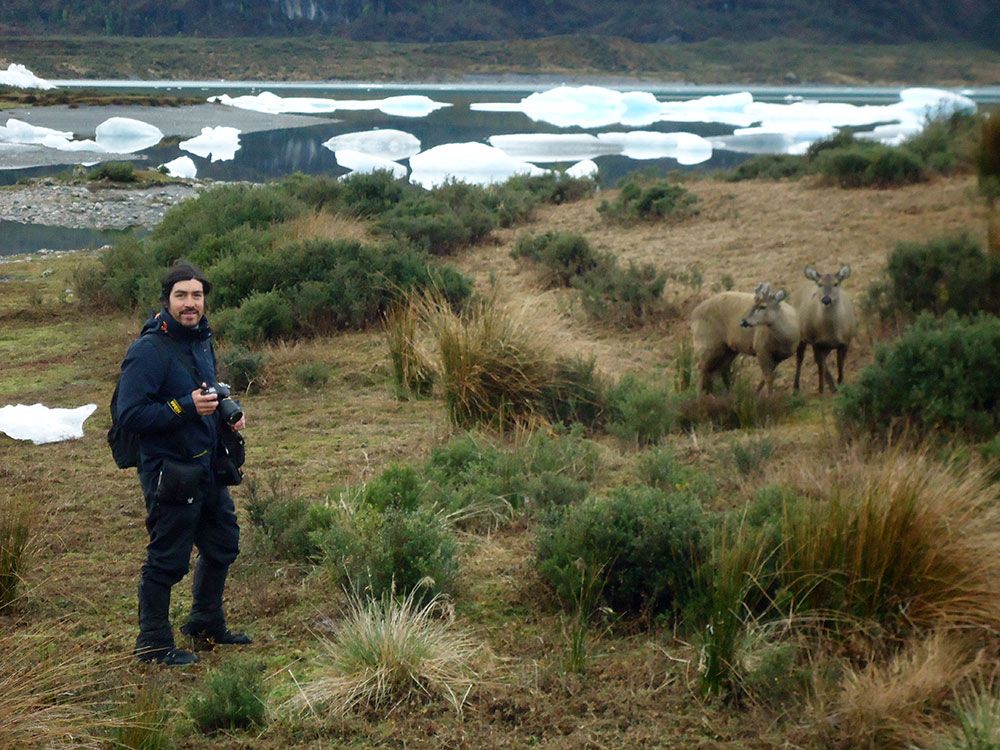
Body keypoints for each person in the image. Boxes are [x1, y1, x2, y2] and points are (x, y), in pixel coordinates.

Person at [116, 260, 251, 666]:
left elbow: (206, 388)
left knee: (223, 543)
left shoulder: (199, 339)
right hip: (169, 471)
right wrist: (184, 407)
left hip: (207, 466)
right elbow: (129, 415)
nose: (190, 304)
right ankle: (153, 643)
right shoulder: (148, 351)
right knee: (167, 559)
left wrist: (227, 409)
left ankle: (205, 621)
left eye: (196, 295)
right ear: (167, 300)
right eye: (181, 296)